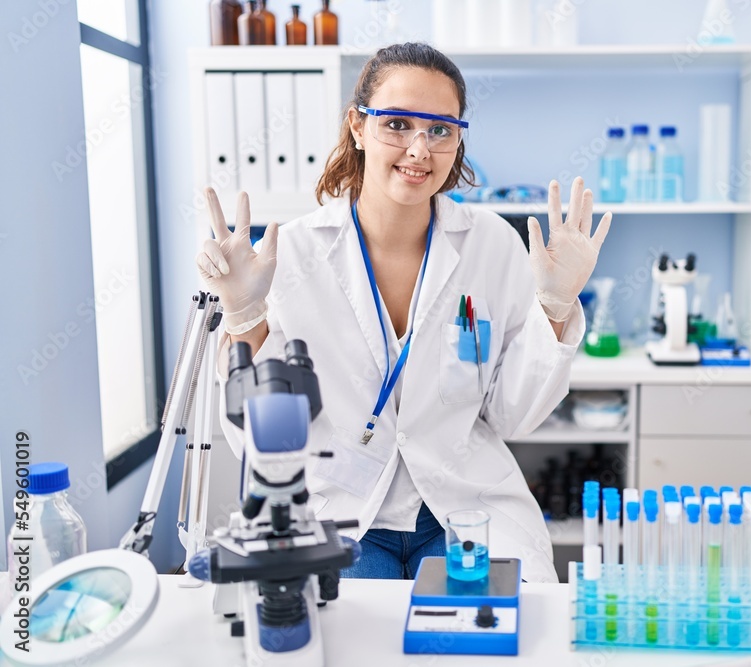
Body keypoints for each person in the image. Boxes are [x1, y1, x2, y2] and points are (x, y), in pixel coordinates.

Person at [197, 43, 611, 583]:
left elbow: (514, 416)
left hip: (461, 506)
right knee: (352, 638)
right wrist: (243, 313)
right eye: (397, 123)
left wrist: (555, 306)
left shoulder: (492, 245)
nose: (420, 150)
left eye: (440, 129)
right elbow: (258, 438)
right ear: (357, 126)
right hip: (341, 513)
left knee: (488, 635)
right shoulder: (287, 255)